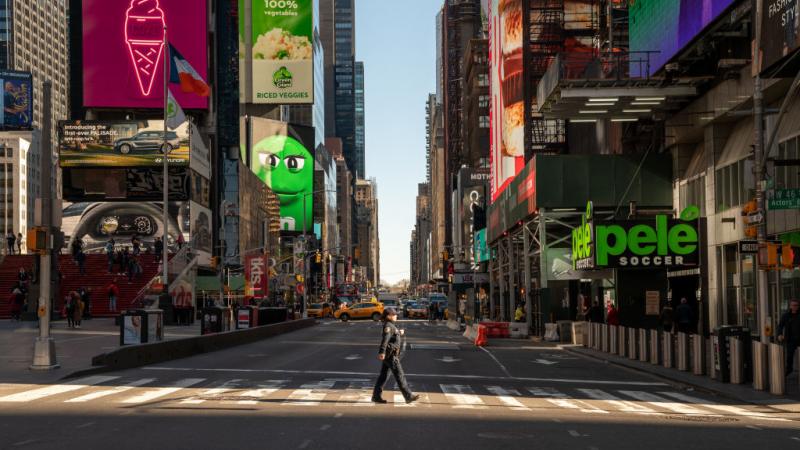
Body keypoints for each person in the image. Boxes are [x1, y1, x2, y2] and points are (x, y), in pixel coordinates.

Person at [371, 308, 419, 404]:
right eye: (394, 314)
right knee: (399, 375)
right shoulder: (389, 326)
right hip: (391, 355)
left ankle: (376, 396)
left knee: (383, 376)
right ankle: (408, 396)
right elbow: (385, 340)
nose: (396, 316)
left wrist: (398, 332)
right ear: (389, 316)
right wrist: (382, 352)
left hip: (389, 355)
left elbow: (392, 336)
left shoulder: (391, 325)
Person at [777, 299, 800, 376]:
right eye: (793, 305)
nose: (795, 307)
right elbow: (780, 326)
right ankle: (789, 369)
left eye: (796, 305)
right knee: (789, 355)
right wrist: (779, 334)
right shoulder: (786, 316)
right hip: (790, 339)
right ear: (790, 306)